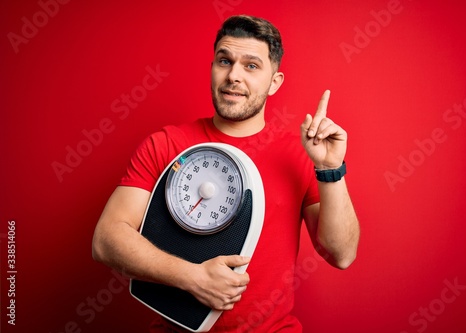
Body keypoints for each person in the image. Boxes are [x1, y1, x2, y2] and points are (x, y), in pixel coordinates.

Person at [92, 15, 360, 333]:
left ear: (274, 82)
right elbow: (106, 241)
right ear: (213, 66)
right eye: (224, 60)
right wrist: (192, 277)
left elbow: (340, 254)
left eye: (251, 65)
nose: (233, 75)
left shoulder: (299, 156)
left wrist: (329, 169)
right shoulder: (166, 144)